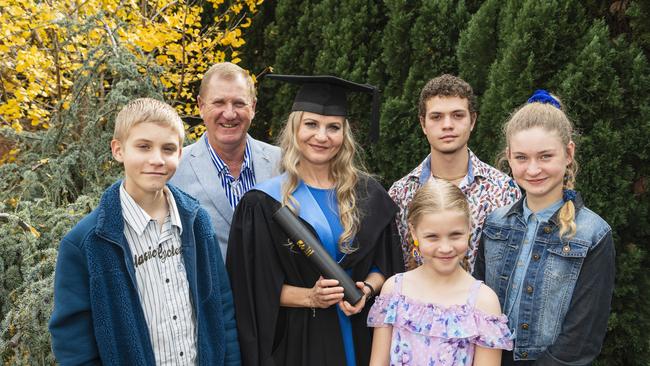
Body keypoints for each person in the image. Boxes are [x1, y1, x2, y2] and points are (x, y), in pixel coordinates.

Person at [226, 75, 404, 366]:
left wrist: (367, 289)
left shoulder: (370, 195)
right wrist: (311, 297)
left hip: (363, 336)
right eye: (311, 124)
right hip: (299, 343)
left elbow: (388, 266)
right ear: (295, 128)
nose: (321, 136)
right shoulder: (264, 202)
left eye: (333, 127)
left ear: (344, 135)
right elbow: (250, 286)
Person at [48, 98, 240, 365]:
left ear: (180, 154)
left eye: (168, 149)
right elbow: (73, 343)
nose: (157, 159)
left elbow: (222, 307)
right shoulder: (86, 242)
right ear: (118, 150)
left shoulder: (197, 223)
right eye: (144, 147)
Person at [474, 90, 615, 365]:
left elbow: (582, 337)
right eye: (522, 158)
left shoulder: (592, 234)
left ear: (568, 153)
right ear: (509, 157)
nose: (533, 169)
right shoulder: (494, 224)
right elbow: (477, 301)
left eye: (545, 156)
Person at [368, 180, 513, 366]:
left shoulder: (484, 302)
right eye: (432, 237)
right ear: (413, 232)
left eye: (455, 235)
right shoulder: (394, 290)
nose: (445, 248)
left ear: (469, 228)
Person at [389, 74, 520, 271]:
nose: (447, 125)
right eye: (437, 117)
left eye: (458, 115)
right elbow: (396, 264)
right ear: (423, 124)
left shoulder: (503, 190)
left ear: (472, 120)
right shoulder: (401, 193)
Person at [170, 62, 281, 261]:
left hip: (276, 291)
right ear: (201, 106)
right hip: (209, 292)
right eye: (219, 103)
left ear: (253, 107)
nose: (229, 114)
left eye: (239, 103)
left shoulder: (283, 163)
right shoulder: (174, 170)